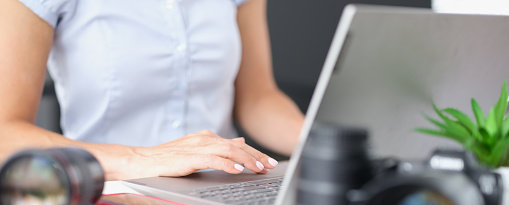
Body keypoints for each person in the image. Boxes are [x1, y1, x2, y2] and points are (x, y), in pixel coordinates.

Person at [0, 0, 304, 181]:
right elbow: (5, 132)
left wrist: (326, 145)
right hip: (109, 193)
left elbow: (257, 99)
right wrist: (143, 159)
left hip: (224, 189)